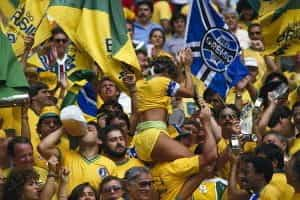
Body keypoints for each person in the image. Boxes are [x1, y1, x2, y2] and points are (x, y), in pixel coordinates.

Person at [124, 49, 195, 163]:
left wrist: (128, 141)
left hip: (140, 141)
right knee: (194, 161)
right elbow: (190, 92)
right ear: (167, 73)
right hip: (155, 135)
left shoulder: (137, 85)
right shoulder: (163, 81)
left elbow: (135, 115)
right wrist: (187, 67)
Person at [38, 121, 117, 194]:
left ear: (99, 140)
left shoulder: (109, 164)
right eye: (82, 130)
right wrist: (65, 127)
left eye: (89, 129)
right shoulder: (66, 155)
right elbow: (42, 147)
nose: (84, 131)